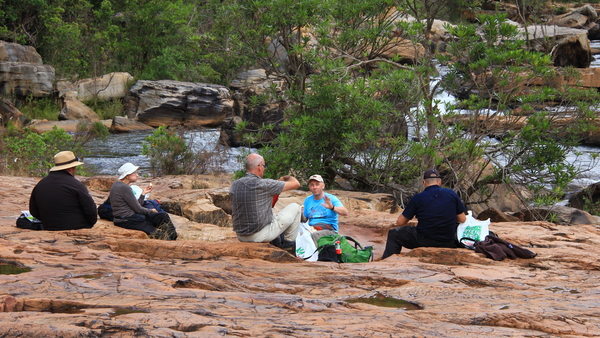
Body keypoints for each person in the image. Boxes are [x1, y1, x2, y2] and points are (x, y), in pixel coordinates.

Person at [381, 169, 467, 260]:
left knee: (394, 234)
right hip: (447, 242)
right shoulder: (451, 194)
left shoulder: (418, 198)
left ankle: (388, 262)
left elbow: (400, 222)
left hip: (424, 240)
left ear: (424, 182)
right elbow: (462, 219)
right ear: (440, 181)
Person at [230, 153, 302, 249]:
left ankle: (276, 243)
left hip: (241, 236)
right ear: (259, 167)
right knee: (296, 207)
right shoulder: (264, 184)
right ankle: (289, 247)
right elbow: (296, 184)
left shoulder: (235, 185)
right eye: (264, 166)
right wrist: (285, 178)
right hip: (259, 235)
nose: (264, 169)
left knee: (269, 212)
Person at [29, 151, 97, 230]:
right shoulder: (77, 185)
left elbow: (34, 211)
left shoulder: (40, 185)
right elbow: (91, 211)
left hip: (49, 227)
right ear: (70, 169)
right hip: (77, 228)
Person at [109, 163, 177, 240]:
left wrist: (143, 193)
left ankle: (173, 238)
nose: (137, 175)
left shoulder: (117, 184)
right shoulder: (124, 188)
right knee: (159, 233)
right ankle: (172, 240)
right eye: (134, 173)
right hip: (127, 220)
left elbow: (136, 205)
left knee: (162, 216)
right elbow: (138, 209)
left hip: (131, 217)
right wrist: (151, 210)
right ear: (127, 175)